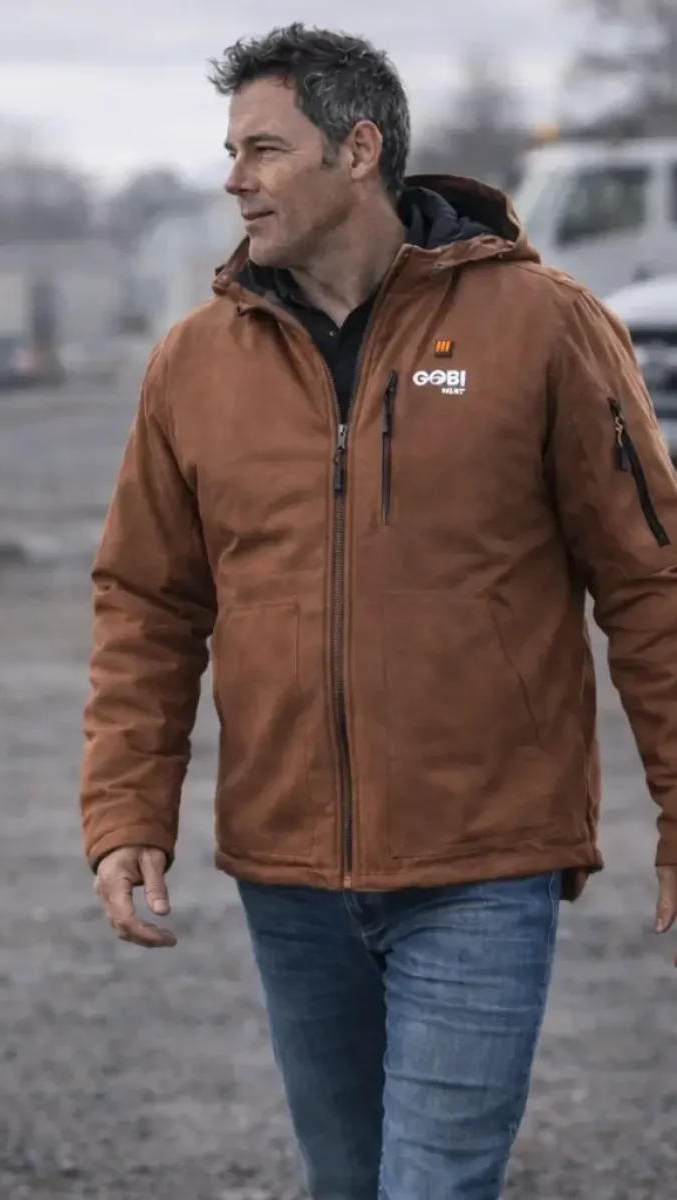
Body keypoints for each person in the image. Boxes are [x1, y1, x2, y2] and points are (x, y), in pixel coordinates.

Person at [80, 22, 677, 1199]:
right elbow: (147, 599)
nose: (232, 179)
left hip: (483, 862)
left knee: (435, 1187)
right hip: (287, 872)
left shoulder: (546, 327)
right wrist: (124, 807)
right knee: (349, 1182)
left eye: (263, 149)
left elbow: (651, 580)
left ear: (359, 152)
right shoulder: (195, 362)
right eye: (230, 149)